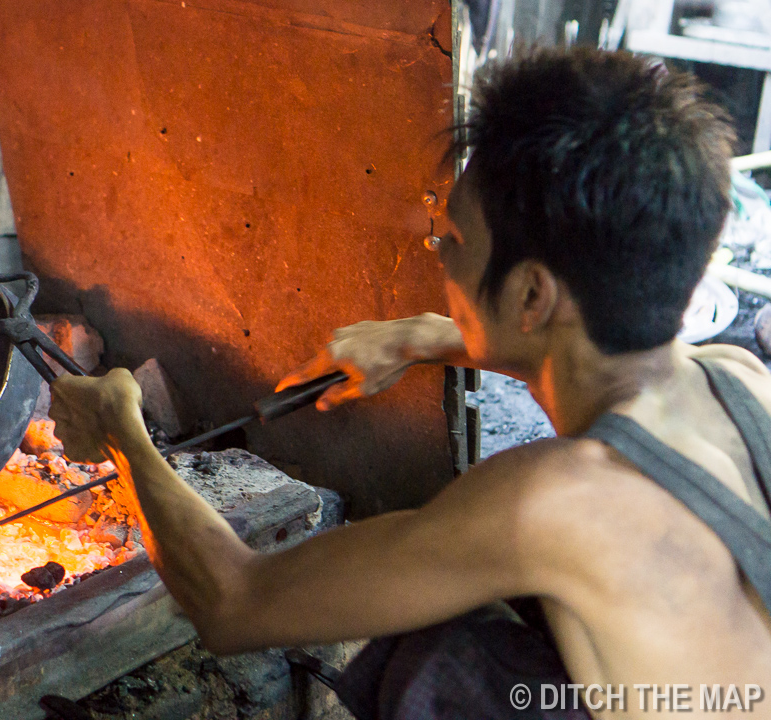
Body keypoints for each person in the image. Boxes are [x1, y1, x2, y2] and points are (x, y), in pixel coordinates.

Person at [48, 47, 771, 718]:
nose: (440, 262)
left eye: (451, 242)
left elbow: (236, 601)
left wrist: (122, 433)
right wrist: (425, 337)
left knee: (446, 649)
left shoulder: (552, 500)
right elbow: (590, 351)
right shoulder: (740, 382)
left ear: (531, 299)